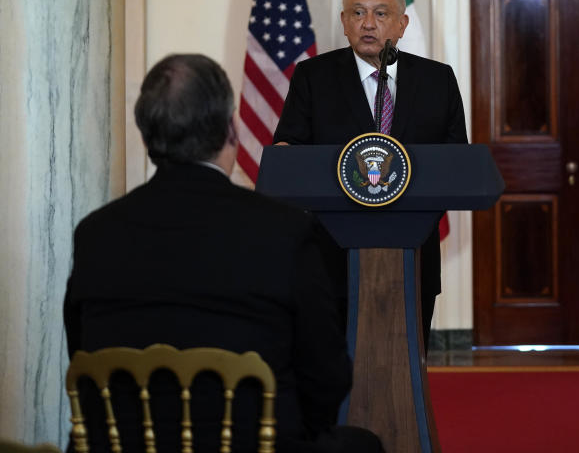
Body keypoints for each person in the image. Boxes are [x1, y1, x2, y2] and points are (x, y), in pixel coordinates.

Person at [64, 54, 382, 453]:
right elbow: (328, 377)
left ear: (146, 135)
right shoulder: (284, 231)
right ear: (230, 129)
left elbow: (82, 357)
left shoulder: (96, 234)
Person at [273, 0, 468, 347]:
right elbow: (289, 152)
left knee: (408, 363)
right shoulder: (313, 77)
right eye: (358, 13)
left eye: (381, 14)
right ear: (344, 23)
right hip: (332, 255)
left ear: (402, 22)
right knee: (336, 368)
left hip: (413, 253)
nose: (368, 24)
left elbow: (456, 162)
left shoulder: (437, 80)